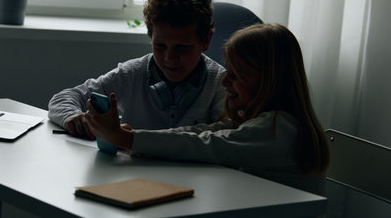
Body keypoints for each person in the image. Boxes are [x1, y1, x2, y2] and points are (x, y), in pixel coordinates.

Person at [85, 23, 330, 195]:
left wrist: (126, 138)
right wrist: (132, 139)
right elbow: (201, 133)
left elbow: (206, 145)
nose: (224, 82)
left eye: (236, 76)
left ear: (269, 80)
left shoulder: (277, 130)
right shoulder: (256, 122)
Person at [48, 0, 226, 139]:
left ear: (206, 40)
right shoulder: (131, 75)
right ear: (151, 37)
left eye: (182, 48)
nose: (169, 58)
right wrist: (73, 116)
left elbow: (225, 135)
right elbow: (63, 98)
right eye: (160, 46)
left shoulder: (220, 83)